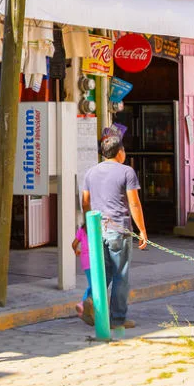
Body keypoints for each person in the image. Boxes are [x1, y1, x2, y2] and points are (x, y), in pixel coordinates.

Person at [82, 133, 148, 330]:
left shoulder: (90, 172)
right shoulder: (127, 172)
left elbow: (85, 202)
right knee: (121, 274)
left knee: (104, 271)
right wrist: (142, 230)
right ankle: (118, 318)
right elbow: (134, 203)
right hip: (118, 229)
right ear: (120, 152)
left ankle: (92, 300)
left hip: (97, 229)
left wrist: (88, 226)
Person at [71, 220, 92, 320]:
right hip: (94, 260)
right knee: (94, 285)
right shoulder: (97, 228)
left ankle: (87, 307)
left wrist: (76, 251)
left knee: (92, 284)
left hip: (85, 261)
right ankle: (82, 304)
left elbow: (74, 244)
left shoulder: (81, 230)